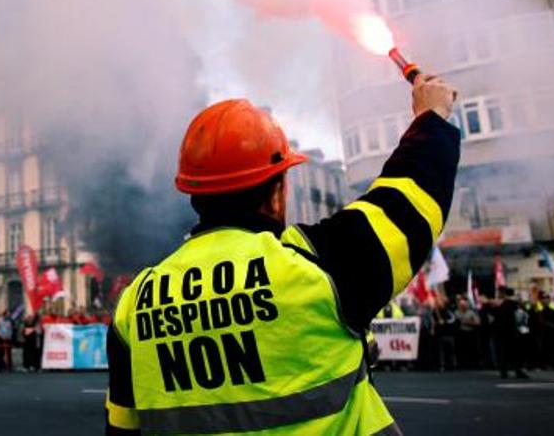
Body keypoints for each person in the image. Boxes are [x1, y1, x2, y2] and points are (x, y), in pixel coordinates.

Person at [106, 74, 458, 435]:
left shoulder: (134, 304)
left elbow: (121, 429)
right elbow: (410, 202)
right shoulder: (315, 265)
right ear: (277, 194)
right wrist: (431, 116)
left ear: (194, 193)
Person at [491, 287, 529, 379]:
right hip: (515, 333)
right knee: (516, 353)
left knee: (504, 353)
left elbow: (495, 320)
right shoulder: (516, 305)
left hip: (503, 333)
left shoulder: (500, 306)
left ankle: (504, 371)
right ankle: (518, 371)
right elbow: (523, 319)